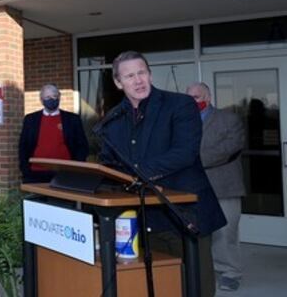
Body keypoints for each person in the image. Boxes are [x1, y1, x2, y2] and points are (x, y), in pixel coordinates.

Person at [98, 51, 226, 297]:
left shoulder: (180, 104)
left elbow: (184, 153)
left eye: (141, 73)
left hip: (185, 215)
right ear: (118, 82)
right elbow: (108, 164)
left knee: (195, 286)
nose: (138, 80)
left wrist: (136, 174)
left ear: (150, 74)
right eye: (129, 76)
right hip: (144, 217)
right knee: (160, 285)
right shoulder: (113, 119)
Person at [187, 82, 246, 292]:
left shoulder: (228, 119)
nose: (192, 101)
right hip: (193, 187)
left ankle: (230, 271)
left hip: (224, 185)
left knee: (226, 231)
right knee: (199, 232)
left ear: (208, 97)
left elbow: (231, 147)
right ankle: (206, 268)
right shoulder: (184, 122)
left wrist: (191, 160)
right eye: (189, 97)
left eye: (196, 96)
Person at [18, 83, 89, 183]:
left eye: (54, 96)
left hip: (65, 173)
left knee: (65, 198)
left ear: (59, 97)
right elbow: (23, 146)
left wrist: (76, 168)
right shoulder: (30, 120)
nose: (51, 99)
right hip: (35, 173)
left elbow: (82, 145)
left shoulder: (72, 119)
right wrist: (25, 170)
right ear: (41, 100)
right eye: (47, 97)